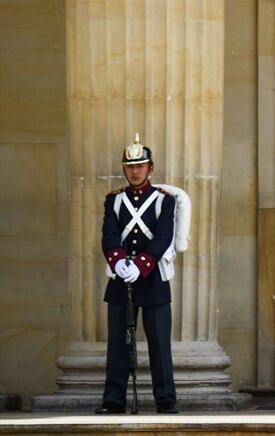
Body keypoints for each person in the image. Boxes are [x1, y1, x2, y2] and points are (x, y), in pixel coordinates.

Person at [95, 134, 178, 414]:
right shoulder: (114, 200)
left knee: (158, 344)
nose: (135, 171)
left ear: (150, 168)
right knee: (118, 344)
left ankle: (165, 400)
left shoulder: (164, 200)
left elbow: (163, 237)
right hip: (121, 279)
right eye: (130, 166)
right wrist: (118, 262)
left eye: (141, 165)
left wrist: (141, 264)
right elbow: (109, 235)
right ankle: (113, 400)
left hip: (152, 277)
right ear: (124, 169)